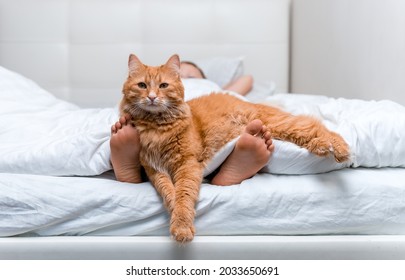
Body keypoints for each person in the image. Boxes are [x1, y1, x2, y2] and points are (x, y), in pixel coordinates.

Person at [110, 115, 274, 186]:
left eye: (191, 75)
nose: (186, 78)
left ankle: (232, 164)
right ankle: (133, 160)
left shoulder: (209, 86)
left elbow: (248, 79)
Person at [180, 61, 254, 96]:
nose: (183, 80)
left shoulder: (210, 89)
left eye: (191, 77)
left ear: (204, 81)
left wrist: (219, 90)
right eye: (178, 76)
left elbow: (248, 78)